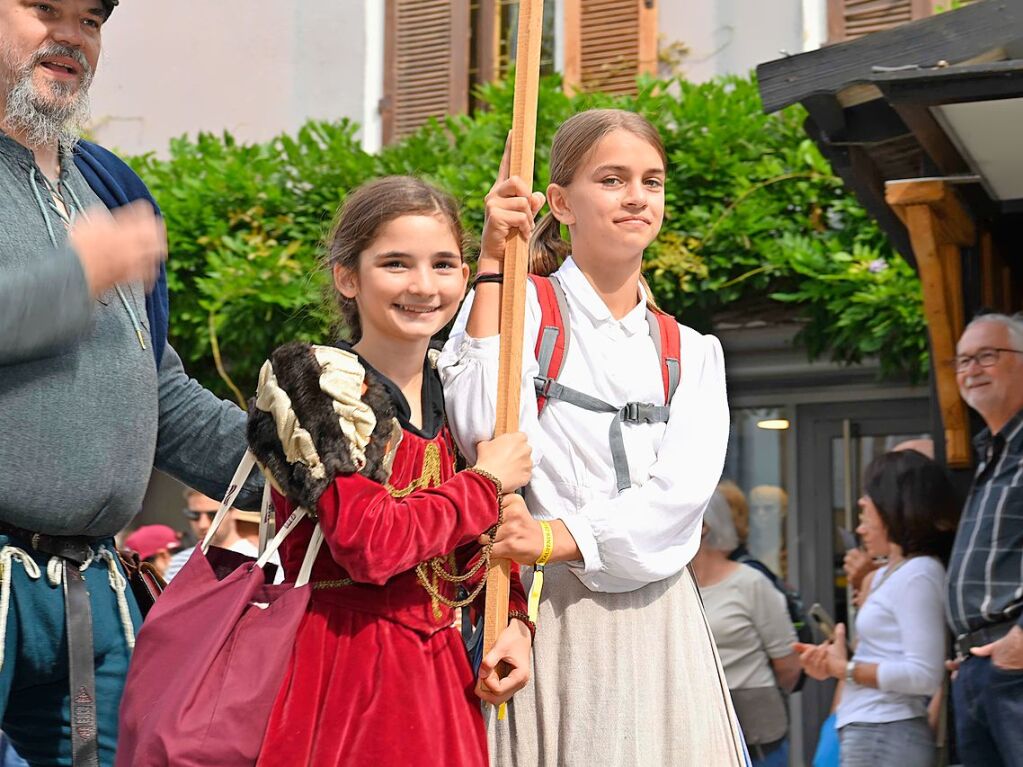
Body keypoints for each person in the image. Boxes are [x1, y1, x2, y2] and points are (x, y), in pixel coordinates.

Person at [440, 109, 747, 765]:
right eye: (611, 179)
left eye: (651, 181)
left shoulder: (693, 352)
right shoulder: (521, 305)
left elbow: (680, 498)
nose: (636, 197)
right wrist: (493, 253)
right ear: (560, 201)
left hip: (659, 619)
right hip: (543, 616)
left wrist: (556, 535)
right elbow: (480, 425)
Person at [0, 2, 261, 764]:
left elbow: (160, 395)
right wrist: (76, 279)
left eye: (90, 20)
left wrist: (304, 472)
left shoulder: (109, 186)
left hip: (95, 593)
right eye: (43, 8)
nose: (70, 36)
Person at [248, 176, 535, 767]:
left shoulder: (459, 394)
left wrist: (514, 623)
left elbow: (480, 551)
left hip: (442, 682)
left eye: (443, 264)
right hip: (341, 678)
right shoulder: (314, 381)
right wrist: (485, 482)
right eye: (396, 264)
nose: (423, 286)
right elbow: (369, 544)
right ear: (347, 277)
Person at [795, 450, 958, 767]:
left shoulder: (919, 573)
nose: (859, 529)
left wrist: (847, 669)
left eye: (865, 513)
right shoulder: (890, 573)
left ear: (893, 509)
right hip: (870, 727)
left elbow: (924, 675)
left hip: (887, 730)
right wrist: (832, 664)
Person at [946, 313, 1023, 767]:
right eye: (962, 361)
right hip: (980, 665)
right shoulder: (992, 452)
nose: (971, 369)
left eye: (987, 356)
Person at [693, 491, 801, 766]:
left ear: (705, 526)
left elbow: (788, 665)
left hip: (757, 735)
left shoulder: (751, 583)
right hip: (695, 729)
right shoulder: (672, 590)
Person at [164, 488, 240, 581]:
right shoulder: (179, 561)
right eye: (194, 515)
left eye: (213, 515)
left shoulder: (254, 559)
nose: (202, 525)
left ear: (234, 511)